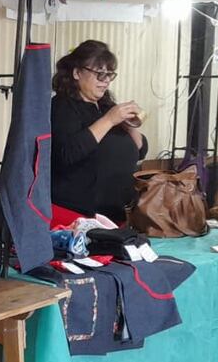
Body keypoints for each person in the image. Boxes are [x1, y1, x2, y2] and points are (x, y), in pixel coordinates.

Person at [51, 40, 148, 224]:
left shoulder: (105, 106)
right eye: (99, 74)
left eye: (109, 75)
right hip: (79, 216)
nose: (105, 81)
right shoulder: (63, 106)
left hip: (116, 214)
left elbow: (140, 150)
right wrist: (109, 120)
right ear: (77, 73)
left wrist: (130, 124)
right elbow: (67, 153)